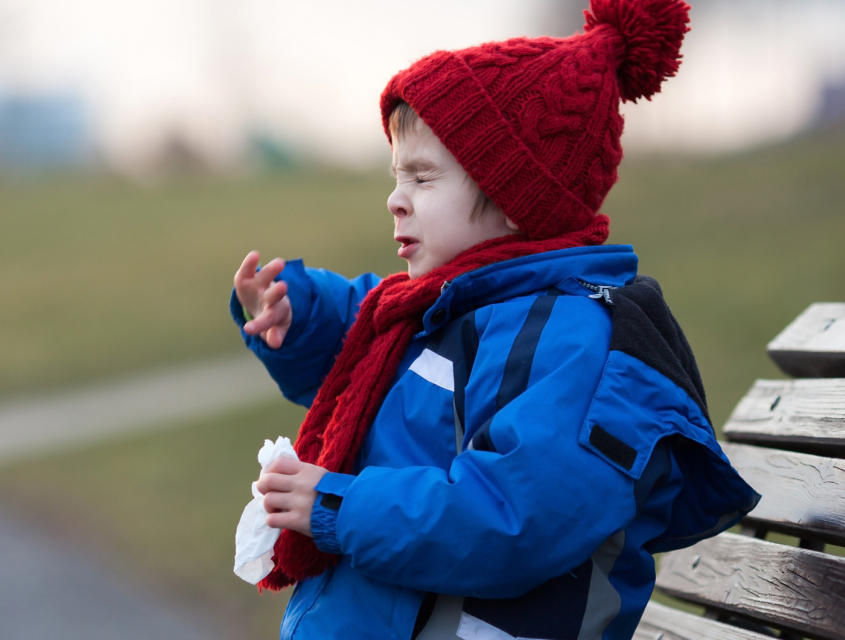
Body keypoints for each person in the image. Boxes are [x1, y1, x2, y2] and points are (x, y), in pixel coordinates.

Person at [230, 0, 759, 639]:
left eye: (423, 177)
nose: (396, 201)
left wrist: (339, 506)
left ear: (515, 200)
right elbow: (364, 342)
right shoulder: (452, 309)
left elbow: (514, 517)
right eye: (398, 176)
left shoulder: (579, 344)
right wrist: (300, 312)